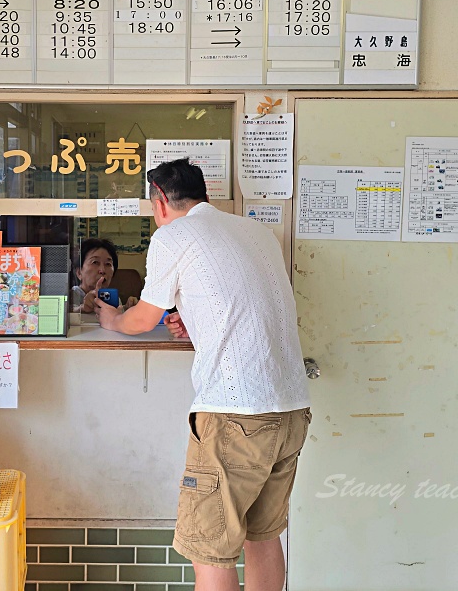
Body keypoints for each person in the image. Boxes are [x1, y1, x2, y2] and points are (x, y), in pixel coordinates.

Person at [92, 158, 310, 591]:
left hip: (235, 418)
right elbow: (243, 306)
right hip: (290, 410)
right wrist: (196, 324)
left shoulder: (173, 235)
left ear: (159, 201)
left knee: (209, 546)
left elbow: (141, 320)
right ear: (204, 194)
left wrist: (112, 319)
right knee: (262, 537)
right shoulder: (256, 232)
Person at [71, 238, 138, 312]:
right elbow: (63, 315)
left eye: (108, 264)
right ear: (79, 272)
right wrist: (82, 308)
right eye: (95, 262)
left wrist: (127, 310)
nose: (102, 270)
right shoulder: (72, 294)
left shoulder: (111, 297)